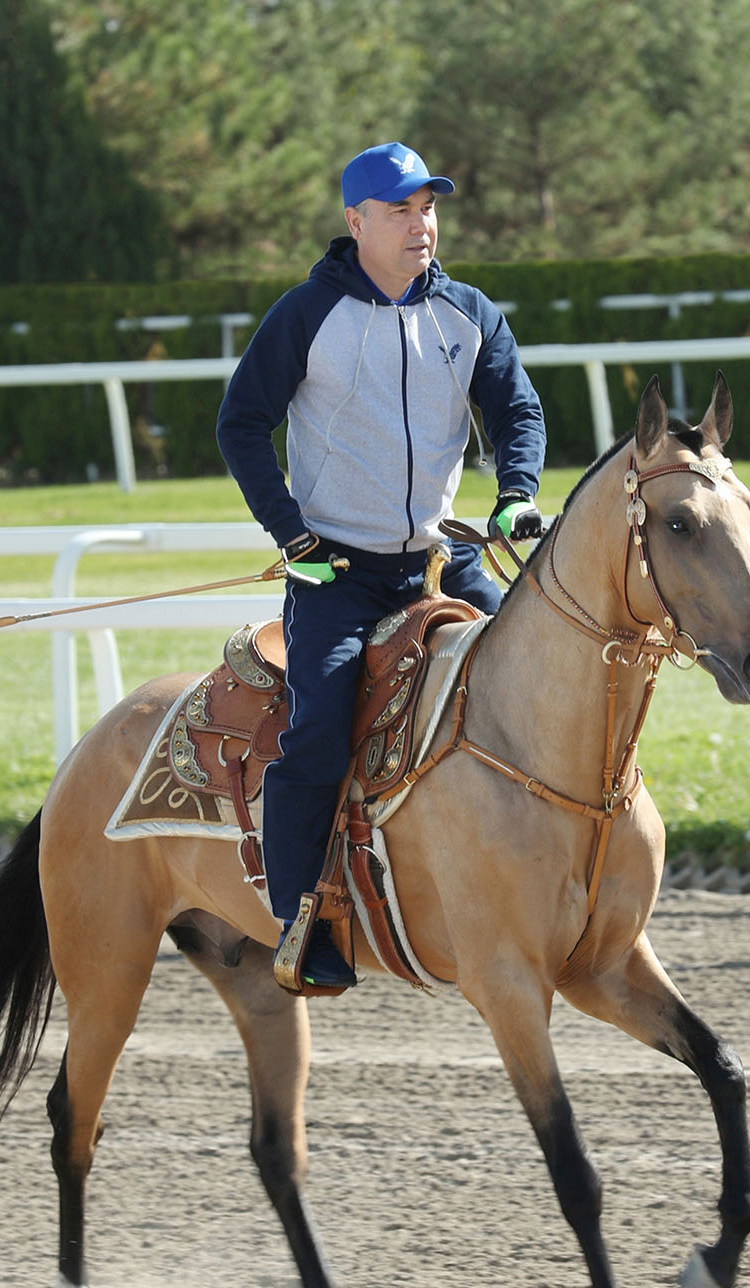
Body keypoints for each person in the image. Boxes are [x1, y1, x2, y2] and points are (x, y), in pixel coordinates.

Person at [216, 140, 546, 991]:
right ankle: (300, 924)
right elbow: (241, 425)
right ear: (355, 221)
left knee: (543, 673)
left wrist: (516, 493)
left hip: (441, 564)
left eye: (429, 208)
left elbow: (516, 408)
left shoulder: (469, 311)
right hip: (336, 574)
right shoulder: (305, 314)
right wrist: (293, 538)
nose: (421, 225)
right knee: (317, 727)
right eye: (401, 211)